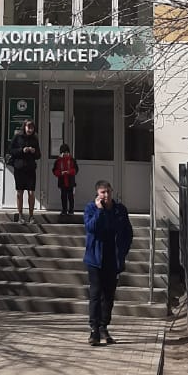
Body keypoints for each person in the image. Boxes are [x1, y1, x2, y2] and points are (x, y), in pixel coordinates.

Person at [83, 180, 133, 346]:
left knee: (109, 296)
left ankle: (104, 326)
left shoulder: (120, 210)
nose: (106, 195)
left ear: (112, 191)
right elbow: (91, 228)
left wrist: (122, 252)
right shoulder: (91, 208)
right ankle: (94, 330)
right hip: (95, 259)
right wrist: (99, 211)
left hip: (113, 258)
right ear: (97, 194)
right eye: (102, 192)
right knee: (96, 294)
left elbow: (127, 233)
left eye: (108, 191)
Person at [7, 119, 41, 222]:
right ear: (24, 127)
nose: (30, 129)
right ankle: (20, 215)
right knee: (20, 192)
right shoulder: (18, 137)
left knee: (31, 192)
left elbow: (38, 155)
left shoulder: (34, 139)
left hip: (30, 168)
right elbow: (11, 150)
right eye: (28, 127)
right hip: (19, 168)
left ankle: (31, 216)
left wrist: (34, 151)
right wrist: (22, 150)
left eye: (32, 127)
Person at [52, 143, 79, 217]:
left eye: (66, 152)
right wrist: (61, 173)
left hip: (71, 181)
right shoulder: (58, 161)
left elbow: (76, 170)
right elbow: (54, 171)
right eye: (63, 152)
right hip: (62, 181)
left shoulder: (72, 160)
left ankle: (71, 210)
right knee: (63, 196)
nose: (65, 154)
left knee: (71, 197)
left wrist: (69, 172)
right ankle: (64, 210)